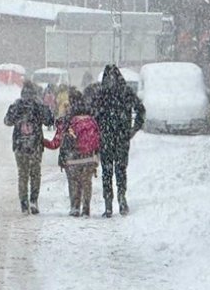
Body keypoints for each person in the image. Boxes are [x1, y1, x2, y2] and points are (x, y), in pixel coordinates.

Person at [95, 64, 146, 217]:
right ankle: (122, 199)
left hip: (105, 138)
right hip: (122, 138)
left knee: (107, 171)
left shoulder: (101, 94)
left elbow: (93, 115)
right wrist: (133, 129)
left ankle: (108, 204)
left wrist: (97, 131)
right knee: (121, 170)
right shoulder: (126, 92)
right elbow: (140, 110)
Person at [43, 87, 101, 217]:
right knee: (87, 182)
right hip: (89, 157)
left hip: (72, 158)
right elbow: (98, 139)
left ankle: (75, 207)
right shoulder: (91, 119)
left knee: (73, 182)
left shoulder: (65, 121)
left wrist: (42, 141)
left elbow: (55, 143)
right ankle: (86, 208)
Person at [4, 80, 55, 214]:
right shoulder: (38, 105)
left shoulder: (17, 105)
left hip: (20, 145)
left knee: (22, 174)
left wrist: (17, 116)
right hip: (35, 145)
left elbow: (7, 121)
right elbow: (49, 120)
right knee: (35, 174)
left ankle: (24, 204)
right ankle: (33, 200)